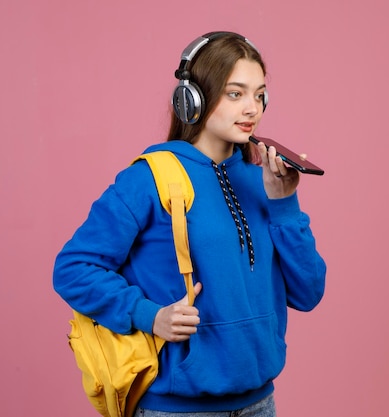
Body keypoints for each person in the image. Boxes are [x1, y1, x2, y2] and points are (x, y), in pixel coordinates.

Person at [53, 31, 326, 416]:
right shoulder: (150, 178)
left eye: (259, 94)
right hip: (179, 409)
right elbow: (72, 268)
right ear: (191, 100)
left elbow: (309, 292)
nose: (252, 108)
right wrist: (149, 315)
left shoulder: (264, 179)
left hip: (259, 403)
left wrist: (284, 204)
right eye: (235, 93)